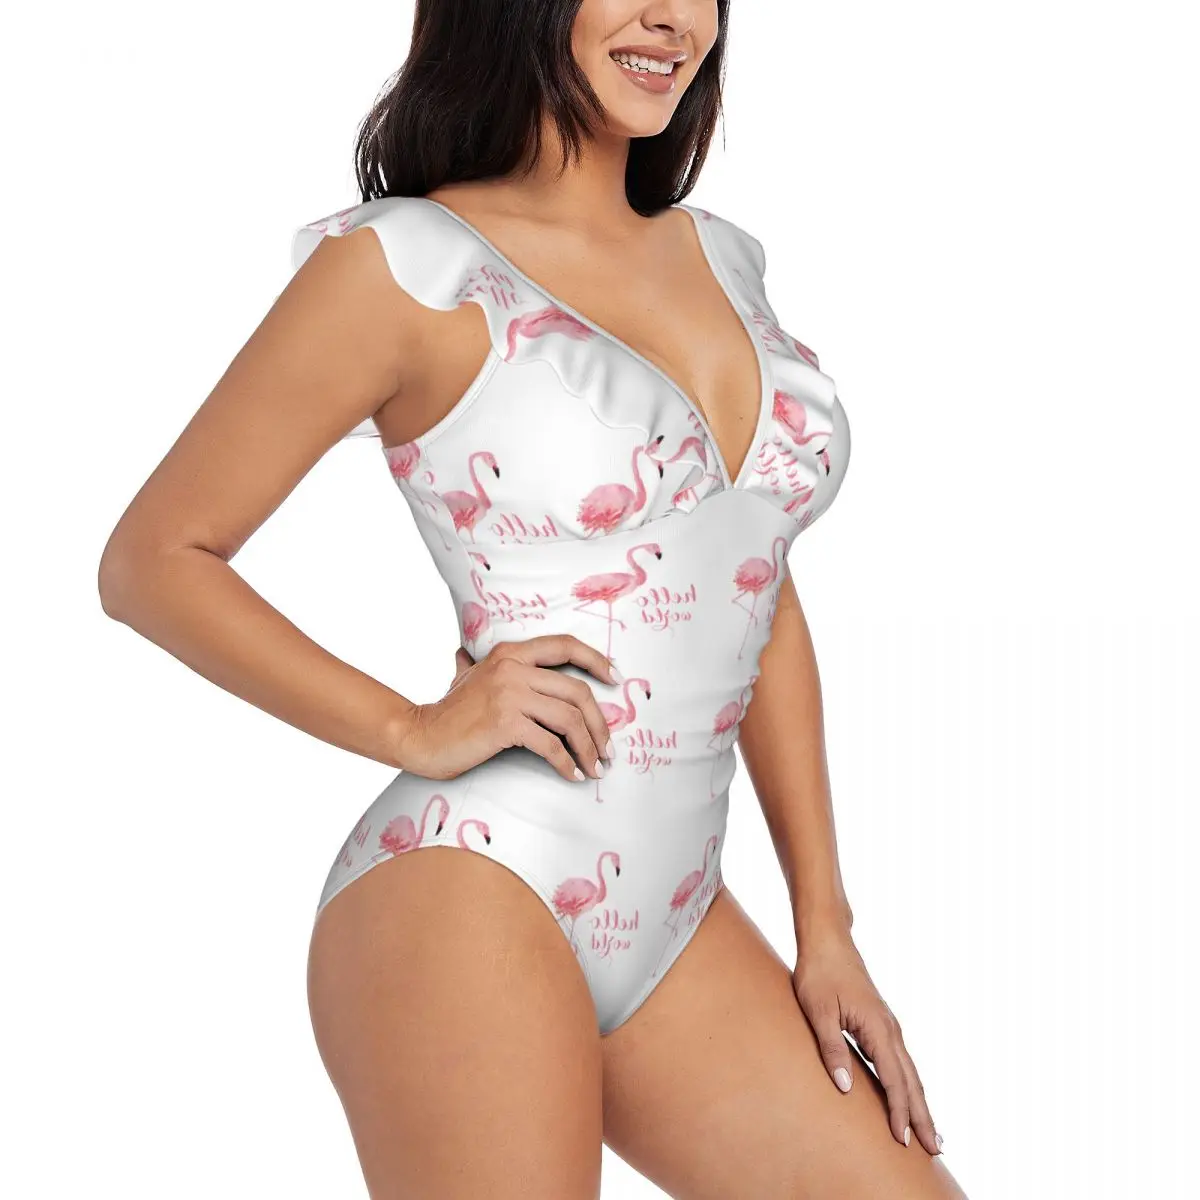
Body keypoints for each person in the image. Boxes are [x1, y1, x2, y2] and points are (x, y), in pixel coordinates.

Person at [98, 2, 967, 1196]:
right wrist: (412, 726)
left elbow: (756, 581)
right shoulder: (410, 264)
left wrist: (825, 922)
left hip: (676, 918)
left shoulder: (723, 259)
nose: (672, 15)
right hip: (471, 888)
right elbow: (153, 560)